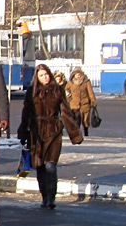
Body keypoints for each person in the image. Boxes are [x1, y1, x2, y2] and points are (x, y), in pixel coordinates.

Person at [17, 63, 83, 209]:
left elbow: (66, 113)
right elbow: (26, 114)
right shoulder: (32, 92)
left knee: (50, 166)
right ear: (37, 77)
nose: (45, 77)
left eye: (46, 74)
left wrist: (75, 135)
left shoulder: (57, 90)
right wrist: (22, 132)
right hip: (36, 134)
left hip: (53, 132)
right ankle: (44, 196)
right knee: (40, 168)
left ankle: (51, 198)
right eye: (41, 75)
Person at [66, 67, 96, 137]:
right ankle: (77, 134)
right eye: (76, 74)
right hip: (74, 105)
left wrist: (93, 100)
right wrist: (69, 97)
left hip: (85, 104)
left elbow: (90, 92)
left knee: (85, 120)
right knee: (76, 120)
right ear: (73, 75)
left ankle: (86, 133)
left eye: (79, 74)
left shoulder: (86, 82)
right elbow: (66, 90)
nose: (78, 76)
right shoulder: (71, 83)